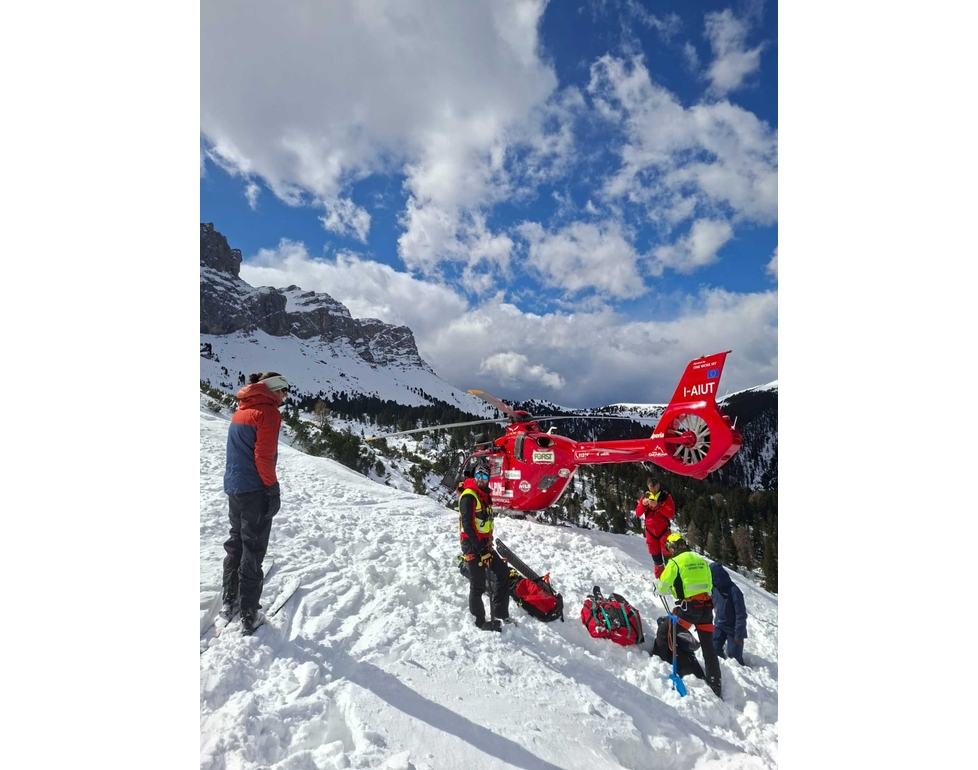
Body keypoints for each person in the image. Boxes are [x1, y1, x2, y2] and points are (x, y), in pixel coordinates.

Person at [221, 371, 289, 634]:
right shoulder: (268, 413)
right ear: (272, 389)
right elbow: (263, 457)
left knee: (236, 541)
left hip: (235, 487)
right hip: (254, 489)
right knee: (254, 547)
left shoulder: (242, 410)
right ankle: (249, 612)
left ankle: (230, 598)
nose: (285, 396)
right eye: (283, 390)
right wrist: (272, 489)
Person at [654, 532, 723, 698]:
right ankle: (715, 684)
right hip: (706, 608)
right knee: (708, 648)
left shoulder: (675, 563)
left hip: (688, 610)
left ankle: (658, 663)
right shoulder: (700, 559)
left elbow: (663, 588)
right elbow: (708, 583)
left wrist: (659, 587)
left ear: (672, 547)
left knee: (665, 632)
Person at [458, 460, 510, 630]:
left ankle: (500, 611)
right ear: (475, 476)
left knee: (503, 573)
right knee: (478, 584)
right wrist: (481, 550)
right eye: (479, 475)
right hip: (472, 545)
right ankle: (479, 621)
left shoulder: (483, 495)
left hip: (484, 544)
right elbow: (468, 525)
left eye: (485, 476)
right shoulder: (469, 495)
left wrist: (486, 546)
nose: (481, 479)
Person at [635, 478, 676, 578]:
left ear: (658, 485)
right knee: (656, 559)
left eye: (655, 487)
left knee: (668, 556)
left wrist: (658, 506)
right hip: (650, 532)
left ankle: (672, 578)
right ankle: (660, 580)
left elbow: (671, 514)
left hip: (663, 531)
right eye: (651, 488)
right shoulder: (645, 496)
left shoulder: (666, 497)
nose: (653, 490)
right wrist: (643, 505)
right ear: (648, 487)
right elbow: (638, 513)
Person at [710, 562, 748, 665]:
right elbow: (713, 603)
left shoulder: (734, 591)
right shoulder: (714, 587)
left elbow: (741, 614)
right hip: (719, 625)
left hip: (733, 629)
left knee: (735, 659)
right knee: (713, 651)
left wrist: (739, 635)